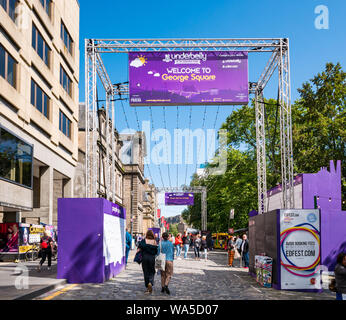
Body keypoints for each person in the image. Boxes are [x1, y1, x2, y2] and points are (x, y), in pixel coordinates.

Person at [138, 230, 158, 294]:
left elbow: (139, 248)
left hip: (145, 257)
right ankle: (150, 282)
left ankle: (147, 286)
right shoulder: (154, 241)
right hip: (152, 258)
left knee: (146, 271)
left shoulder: (143, 241)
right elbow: (156, 251)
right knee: (152, 271)